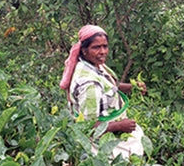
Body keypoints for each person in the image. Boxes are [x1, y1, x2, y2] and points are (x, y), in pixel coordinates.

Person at [60, 24, 146, 158]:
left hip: (112, 127)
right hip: (99, 141)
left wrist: (131, 87)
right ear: (84, 50)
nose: (103, 52)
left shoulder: (92, 64)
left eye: (105, 46)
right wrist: (118, 126)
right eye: (96, 47)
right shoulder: (89, 85)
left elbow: (109, 85)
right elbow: (88, 127)